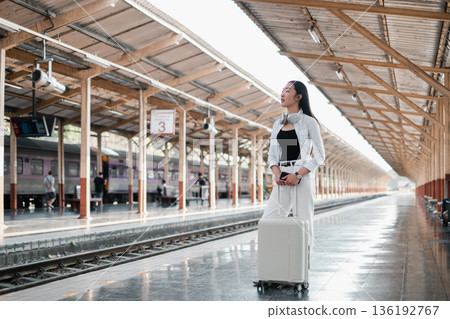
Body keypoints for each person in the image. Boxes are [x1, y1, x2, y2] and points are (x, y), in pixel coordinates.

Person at [261, 80, 325, 245]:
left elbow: (319, 155)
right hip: (281, 180)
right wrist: (276, 173)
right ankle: (278, 260)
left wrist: (297, 175)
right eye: (282, 90)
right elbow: (272, 155)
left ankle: (304, 267)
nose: (282, 94)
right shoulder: (277, 124)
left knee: (304, 224)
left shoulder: (309, 122)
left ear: (298, 97)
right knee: (269, 221)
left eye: (287, 91)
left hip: (301, 180)